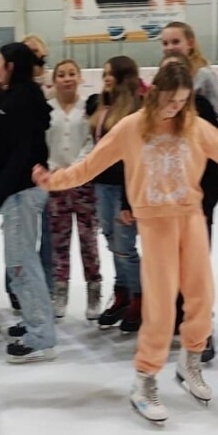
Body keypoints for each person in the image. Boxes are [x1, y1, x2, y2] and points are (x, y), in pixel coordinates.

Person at [35, 60, 218, 422]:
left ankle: (190, 362)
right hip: (155, 223)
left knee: (202, 296)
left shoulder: (193, 126)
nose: (175, 108)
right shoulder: (131, 127)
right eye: (170, 100)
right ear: (155, 93)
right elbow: (91, 165)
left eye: (182, 101)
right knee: (161, 305)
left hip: (190, 218)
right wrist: (55, 181)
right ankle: (145, 379)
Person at [0, 43, 54, 361]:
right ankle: (37, 320)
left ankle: (41, 333)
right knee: (21, 262)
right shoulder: (20, 95)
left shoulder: (22, 99)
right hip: (18, 192)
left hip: (21, 192)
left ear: (11, 65)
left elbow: (19, 154)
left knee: (21, 265)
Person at [87, 56, 144, 331]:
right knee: (111, 241)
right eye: (104, 73)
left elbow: (134, 158)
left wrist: (128, 200)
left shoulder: (134, 109)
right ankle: (122, 292)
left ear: (123, 76)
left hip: (124, 188)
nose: (106, 78)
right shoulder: (103, 105)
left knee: (124, 247)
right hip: (101, 185)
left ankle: (139, 296)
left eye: (110, 74)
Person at [43, 58, 102, 320]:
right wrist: (54, 169)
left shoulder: (88, 108)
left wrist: (78, 169)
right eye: (62, 74)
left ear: (80, 78)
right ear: (54, 80)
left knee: (88, 240)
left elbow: (92, 141)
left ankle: (94, 288)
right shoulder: (47, 110)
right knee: (59, 241)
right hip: (55, 184)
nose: (67, 79)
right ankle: (60, 289)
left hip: (83, 183)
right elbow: (42, 143)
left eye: (71, 74)